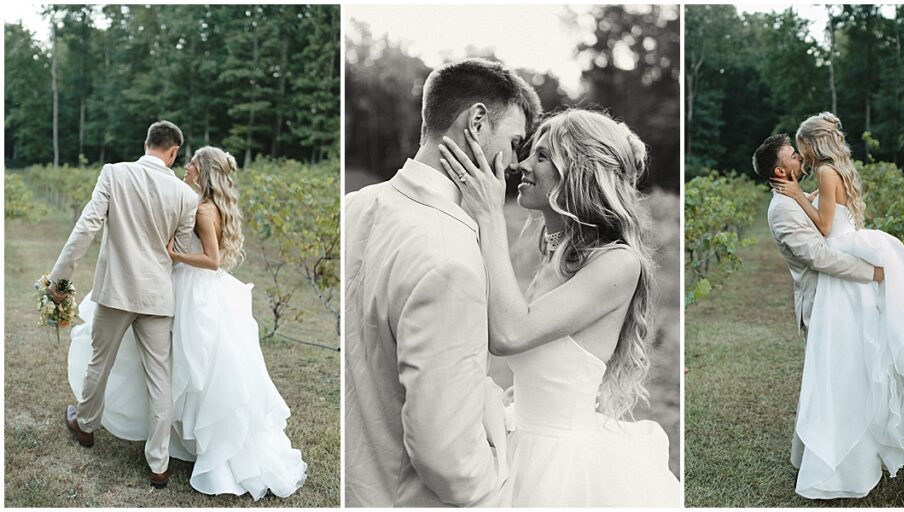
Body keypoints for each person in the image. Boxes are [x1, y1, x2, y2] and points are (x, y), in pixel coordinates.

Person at [438, 108, 680, 507]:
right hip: (523, 441)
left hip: (561, 467)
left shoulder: (619, 264)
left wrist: (490, 216)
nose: (522, 164)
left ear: (580, 172)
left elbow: (509, 333)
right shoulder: (557, 256)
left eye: (543, 156)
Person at [757, 112, 904, 499]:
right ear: (779, 170)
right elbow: (820, 255)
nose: (799, 157)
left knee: (853, 370)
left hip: (847, 286)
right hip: (832, 290)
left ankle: (857, 450)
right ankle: (838, 455)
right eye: (792, 155)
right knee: (844, 373)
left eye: (800, 150)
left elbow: (826, 225)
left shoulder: (816, 181)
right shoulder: (783, 207)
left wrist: (806, 199)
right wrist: (871, 273)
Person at [344, 58, 541, 507]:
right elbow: (446, 457)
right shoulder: (451, 258)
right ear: (476, 122)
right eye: (513, 142)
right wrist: (499, 475)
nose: (513, 163)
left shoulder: (356, 204)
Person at [68, 146, 307, 500]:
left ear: (204, 171)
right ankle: (166, 444)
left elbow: (211, 259)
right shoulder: (205, 204)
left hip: (194, 289)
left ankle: (170, 441)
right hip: (200, 288)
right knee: (179, 369)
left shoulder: (202, 209)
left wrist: (173, 254)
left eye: (192, 163)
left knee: (185, 368)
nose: (186, 166)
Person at [53, 120, 198, 488]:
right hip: (157, 296)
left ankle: (85, 426)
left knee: (99, 361)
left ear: (146, 142)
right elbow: (179, 253)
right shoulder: (185, 195)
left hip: (116, 291)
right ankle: (159, 463)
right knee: (159, 379)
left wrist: (60, 277)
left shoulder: (114, 174)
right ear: (174, 151)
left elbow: (87, 226)